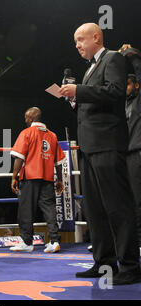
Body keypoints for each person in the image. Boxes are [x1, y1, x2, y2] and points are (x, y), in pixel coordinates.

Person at [59, 23, 141, 285]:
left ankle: (129, 265)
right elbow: (94, 102)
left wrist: (79, 92)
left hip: (108, 143)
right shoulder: (89, 68)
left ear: (96, 37)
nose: (77, 45)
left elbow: (116, 92)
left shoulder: (113, 58)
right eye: (74, 41)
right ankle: (104, 262)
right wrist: (74, 100)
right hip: (89, 146)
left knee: (118, 205)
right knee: (95, 209)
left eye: (80, 39)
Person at [9, 107, 65, 253]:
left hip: (30, 177)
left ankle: (27, 242)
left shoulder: (26, 133)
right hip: (47, 178)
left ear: (31, 118)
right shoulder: (52, 135)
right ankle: (54, 241)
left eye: (26, 117)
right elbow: (58, 162)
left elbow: (19, 157)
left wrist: (14, 176)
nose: (25, 120)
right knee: (49, 208)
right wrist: (59, 180)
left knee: (26, 209)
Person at [119, 44, 141, 255]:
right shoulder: (121, 105)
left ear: (136, 85)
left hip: (138, 151)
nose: (125, 87)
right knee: (131, 200)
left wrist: (134, 57)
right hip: (127, 155)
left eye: (129, 84)